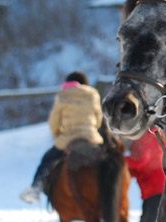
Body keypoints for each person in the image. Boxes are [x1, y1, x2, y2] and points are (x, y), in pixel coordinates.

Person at [20, 70, 104, 203]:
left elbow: (54, 121)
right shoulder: (93, 94)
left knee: (47, 160)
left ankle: (37, 188)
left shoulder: (62, 95)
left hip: (68, 138)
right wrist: (93, 130)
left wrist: (58, 135)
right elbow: (99, 117)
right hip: (91, 137)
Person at [125, 131, 166, 222]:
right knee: (146, 221)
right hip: (151, 189)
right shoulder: (145, 138)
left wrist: (122, 161)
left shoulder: (145, 137)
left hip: (157, 187)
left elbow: (142, 161)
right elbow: (139, 169)